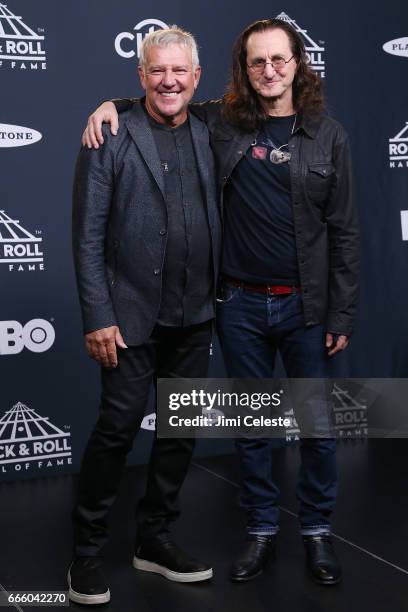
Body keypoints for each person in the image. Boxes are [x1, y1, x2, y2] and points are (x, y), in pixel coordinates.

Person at [82, 18, 359, 586]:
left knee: (309, 428)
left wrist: (342, 310)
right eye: (258, 62)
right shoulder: (226, 123)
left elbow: (346, 231)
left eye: (279, 59)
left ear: (297, 63)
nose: (269, 70)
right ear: (244, 70)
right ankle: (250, 532)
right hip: (228, 308)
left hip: (281, 309)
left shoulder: (321, 135)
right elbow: (160, 98)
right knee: (231, 430)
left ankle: (311, 534)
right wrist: (107, 103)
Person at [70, 26, 221, 605]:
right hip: (129, 316)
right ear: (140, 76)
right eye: (157, 71)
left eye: (179, 71)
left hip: (196, 313)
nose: (169, 81)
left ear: (196, 77)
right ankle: (85, 551)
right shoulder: (111, 132)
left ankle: (153, 540)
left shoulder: (211, 128)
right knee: (117, 430)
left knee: (180, 433)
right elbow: (86, 236)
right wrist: (96, 314)